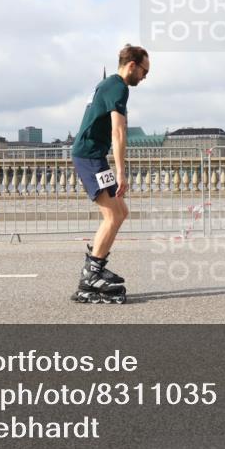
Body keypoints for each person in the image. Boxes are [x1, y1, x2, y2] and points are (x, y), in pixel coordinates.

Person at [70, 44, 149, 304]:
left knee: (121, 212)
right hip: (90, 157)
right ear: (132, 66)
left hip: (93, 156)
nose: (145, 77)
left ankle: (96, 267)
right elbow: (119, 132)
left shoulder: (109, 85)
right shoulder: (118, 87)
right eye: (144, 71)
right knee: (112, 214)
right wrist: (121, 171)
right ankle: (91, 275)